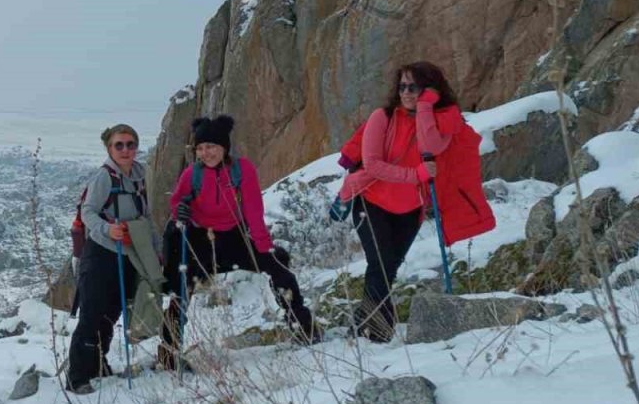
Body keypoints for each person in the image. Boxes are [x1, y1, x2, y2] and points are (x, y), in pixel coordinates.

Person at [338, 61, 493, 341]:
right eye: (402, 87)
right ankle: (378, 332)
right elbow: (372, 165)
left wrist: (424, 109)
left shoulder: (443, 121)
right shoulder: (382, 117)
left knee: (388, 268)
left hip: (409, 211)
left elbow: (430, 146)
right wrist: (415, 174)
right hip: (371, 201)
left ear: (431, 91)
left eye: (414, 87)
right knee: (380, 264)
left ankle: (363, 323)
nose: (406, 92)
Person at [161, 116, 319, 363]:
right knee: (181, 291)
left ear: (224, 147)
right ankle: (169, 353)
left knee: (279, 269)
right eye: (200, 148)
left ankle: (303, 329)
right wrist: (180, 210)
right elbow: (177, 202)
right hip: (201, 240)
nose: (205, 153)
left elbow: (253, 211)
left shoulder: (241, 170)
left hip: (236, 238)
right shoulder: (193, 174)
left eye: (211, 146)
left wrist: (265, 249)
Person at [66, 124, 159, 394]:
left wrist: (155, 249)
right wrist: (109, 229)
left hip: (130, 252)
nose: (126, 150)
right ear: (109, 148)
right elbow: (89, 212)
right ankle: (78, 376)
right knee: (93, 313)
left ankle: (98, 364)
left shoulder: (141, 175)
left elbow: (146, 216)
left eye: (131, 144)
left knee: (112, 312)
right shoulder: (104, 177)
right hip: (101, 252)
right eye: (119, 145)